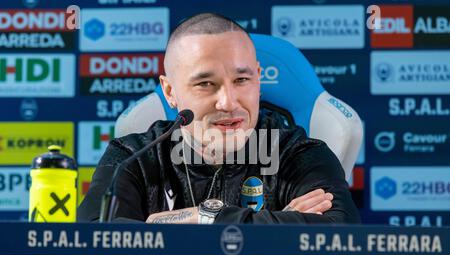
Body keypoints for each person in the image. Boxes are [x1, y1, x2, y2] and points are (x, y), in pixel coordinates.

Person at [78, 13, 360, 224]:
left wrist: (202, 217)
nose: (228, 102)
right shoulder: (133, 155)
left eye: (241, 80)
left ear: (259, 81)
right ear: (170, 91)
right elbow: (97, 237)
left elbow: (339, 232)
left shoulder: (300, 153)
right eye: (205, 84)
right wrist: (278, 224)